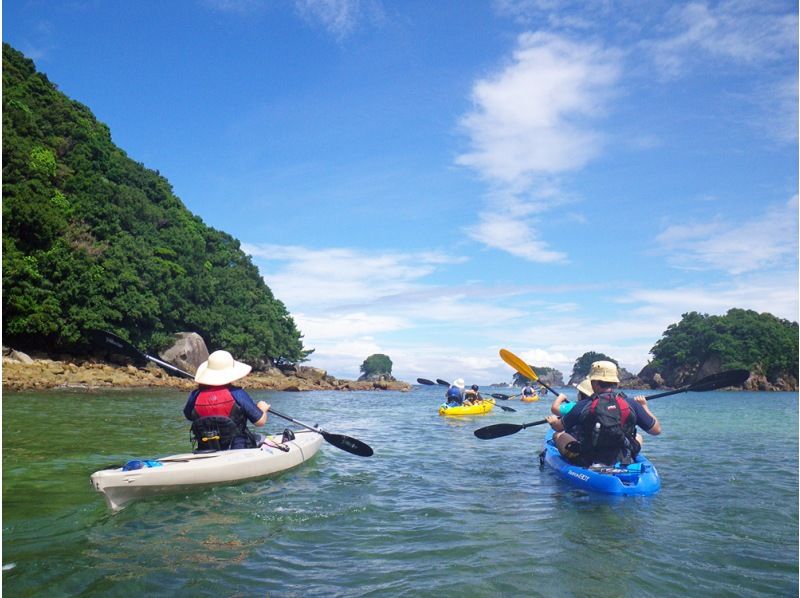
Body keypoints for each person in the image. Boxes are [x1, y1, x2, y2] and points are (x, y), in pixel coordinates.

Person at [545, 361, 661, 466]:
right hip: (623, 457)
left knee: (559, 436)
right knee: (638, 436)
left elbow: (559, 427)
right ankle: (627, 460)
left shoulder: (583, 405)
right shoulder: (632, 404)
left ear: (594, 383)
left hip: (588, 459)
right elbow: (656, 431)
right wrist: (644, 406)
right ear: (615, 382)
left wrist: (553, 421)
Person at [183, 350, 271, 450]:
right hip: (237, 450)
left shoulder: (195, 395)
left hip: (206, 449)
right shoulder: (237, 393)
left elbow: (189, 416)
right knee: (260, 438)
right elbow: (259, 422)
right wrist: (262, 408)